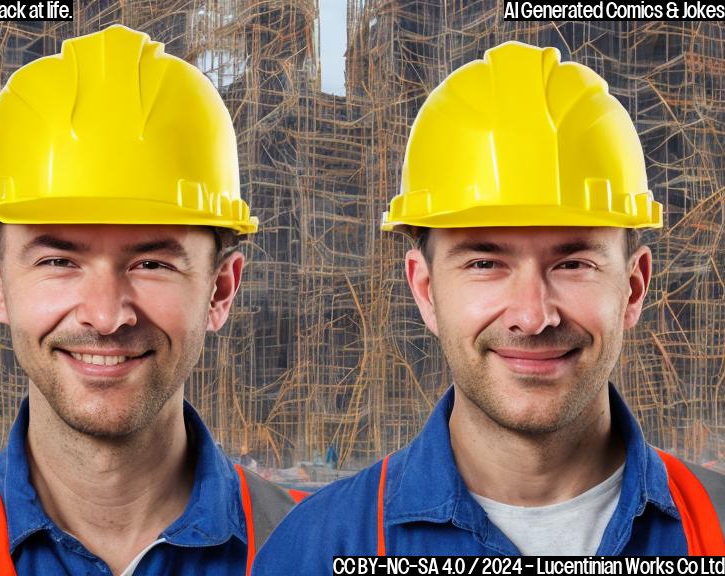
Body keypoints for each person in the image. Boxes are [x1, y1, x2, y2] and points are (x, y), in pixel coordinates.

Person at [0, 25, 304, 575]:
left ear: (221, 289)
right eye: (58, 262)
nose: (105, 315)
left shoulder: (323, 552)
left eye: (151, 264)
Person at [253, 41, 725, 568]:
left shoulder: (718, 528)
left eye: (572, 264)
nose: (532, 315)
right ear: (426, 290)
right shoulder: (319, 550)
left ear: (634, 287)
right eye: (485, 264)